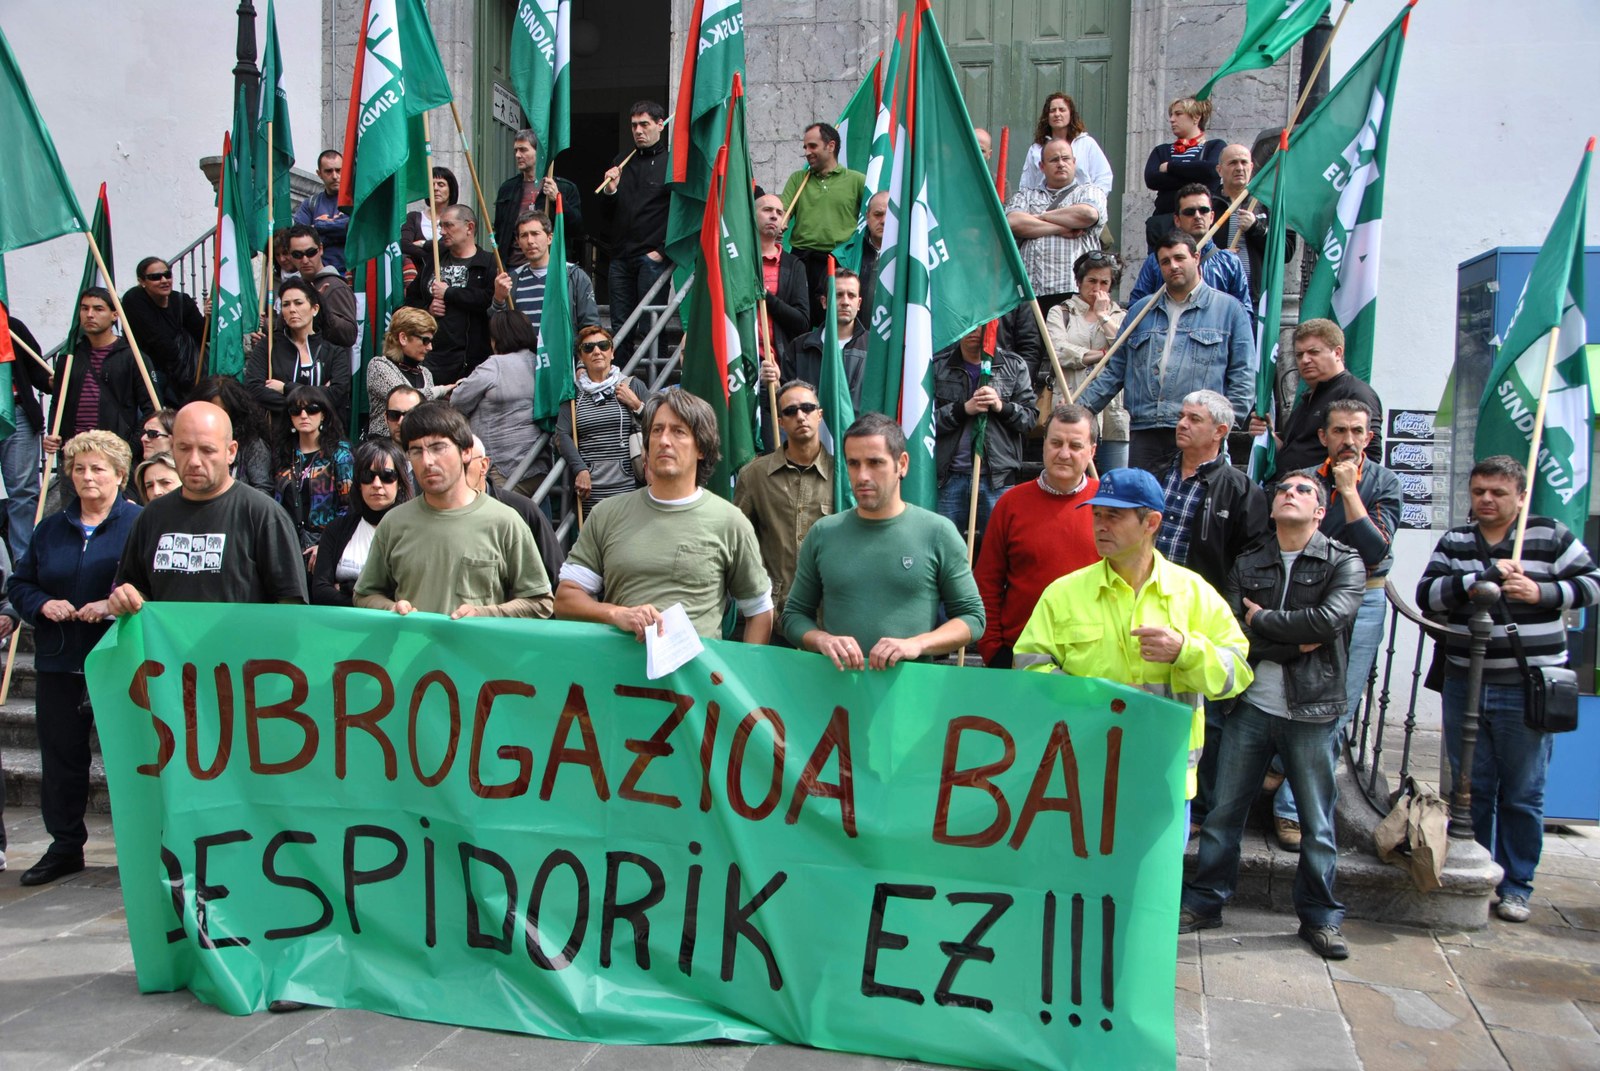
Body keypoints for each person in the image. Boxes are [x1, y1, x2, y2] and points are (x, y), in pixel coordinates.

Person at [1182, 469, 1365, 960]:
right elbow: (1229, 632)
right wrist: (1287, 641)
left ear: (1321, 511)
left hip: (1312, 711)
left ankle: (1321, 917)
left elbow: (1328, 622)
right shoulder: (1251, 560)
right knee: (1223, 813)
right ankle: (1206, 900)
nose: (1290, 494)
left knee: (1317, 823)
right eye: (1284, 489)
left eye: (1303, 490)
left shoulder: (1343, 561)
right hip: (1250, 705)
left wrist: (1261, 620)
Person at [1418, 455, 1600, 924]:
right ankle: (1471, 869)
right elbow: (1428, 595)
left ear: (1520, 496)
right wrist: (1478, 579)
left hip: (1527, 685)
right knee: (1470, 788)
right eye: (1479, 491)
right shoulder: (1457, 540)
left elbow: (1592, 585)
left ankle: (1517, 884)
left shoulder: (1549, 535)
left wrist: (1540, 592)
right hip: (1467, 681)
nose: (1486, 500)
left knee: (1522, 792)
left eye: (1497, 493)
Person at [1014, 467, 1252, 806]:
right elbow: (1028, 673)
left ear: (1151, 523)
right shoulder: (1062, 593)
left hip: (1163, 773)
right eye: (1097, 514)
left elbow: (1237, 673)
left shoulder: (1194, 593)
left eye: (1114, 515)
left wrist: (1185, 651)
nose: (1100, 525)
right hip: (1079, 770)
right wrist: (1103, 695)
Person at [7, 431, 139, 886]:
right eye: (79, 468)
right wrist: (42, 604)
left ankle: (140, 849)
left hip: (120, 661)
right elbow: (21, 584)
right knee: (61, 759)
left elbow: (153, 585)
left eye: (98, 468)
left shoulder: (140, 524)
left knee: (129, 759)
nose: (87, 477)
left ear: (120, 475)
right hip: (59, 662)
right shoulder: (50, 529)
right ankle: (65, 845)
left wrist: (112, 603)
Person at [1270, 399, 1401, 850]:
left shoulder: (1384, 481)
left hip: (1363, 600)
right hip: (1311, 597)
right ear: (1324, 436)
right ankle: (1278, 762)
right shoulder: (1303, 481)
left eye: (1358, 431)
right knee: (1288, 689)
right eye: (1339, 431)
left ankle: (1290, 807)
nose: (1349, 440)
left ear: (1369, 436)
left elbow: (1375, 552)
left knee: (1338, 705)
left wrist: (1349, 493)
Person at [555, 390, 773, 642]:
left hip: (695, 679)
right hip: (618, 678)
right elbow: (565, 599)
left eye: (678, 431)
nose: (664, 441)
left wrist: (739, 676)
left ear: (702, 447)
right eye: (657, 431)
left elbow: (759, 611)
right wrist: (615, 614)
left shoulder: (730, 522)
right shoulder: (607, 513)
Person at [783, 411, 983, 667]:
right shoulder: (823, 533)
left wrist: (918, 643)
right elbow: (793, 616)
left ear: (902, 464)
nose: (862, 475)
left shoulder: (938, 532)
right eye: (853, 464)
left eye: (875, 463)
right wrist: (821, 639)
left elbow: (973, 618)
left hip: (910, 694)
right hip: (836, 693)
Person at [1075, 231, 1256, 473]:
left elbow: (1243, 376)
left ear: (1196, 257)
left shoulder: (1230, 310)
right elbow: (1115, 370)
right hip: (1145, 431)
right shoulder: (1140, 310)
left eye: (1179, 258)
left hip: (1201, 432)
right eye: (1165, 261)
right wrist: (1079, 410)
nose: (1173, 266)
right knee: (1141, 508)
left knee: (1197, 506)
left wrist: (1222, 428)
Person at [354, 404, 553, 619]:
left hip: (476, 650)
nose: (427, 461)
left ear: (466, 452)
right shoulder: (394, 523)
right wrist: (391, 608)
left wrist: (486, 613)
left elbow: (540, 602)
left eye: (438, 447)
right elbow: (364, 594)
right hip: (410, 650)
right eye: (416, 451)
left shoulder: (505, 522)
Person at [108, 401, 308, 613]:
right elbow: (133, 588)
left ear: (230, 452)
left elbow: (291, 608)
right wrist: (125, 599)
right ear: (172, 447)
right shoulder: (151, 516)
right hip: (167, 646)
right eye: (184, 448)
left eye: (207, 450)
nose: (194, 461)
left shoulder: (264, 515)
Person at [974, 404, 1101, 668]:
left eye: (1075, 446)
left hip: (1093, 658)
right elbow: (987, 582)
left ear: (1092, 451)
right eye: (1056, 442)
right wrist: (992, 648)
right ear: (1043, 444)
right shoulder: (1011, 503)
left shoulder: (1107, 505)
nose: (1064, 453)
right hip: (1020, 654)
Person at [734, 380, 834, 620]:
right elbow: (737, 542)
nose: (801, 416)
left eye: (808, 408)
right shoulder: (754, 476)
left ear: (819, 415)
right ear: (780, 422)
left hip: (831, 616)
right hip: (773, 615)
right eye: (790, 411)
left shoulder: (842, 474)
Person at [932, 326, 1038, 547]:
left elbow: (1030, 420)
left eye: (981, 325)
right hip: (949, 478)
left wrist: (1002, 406)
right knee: (942, 549)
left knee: (1000, 549)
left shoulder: (1014, 366)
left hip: (996, 479)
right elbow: (923, 423)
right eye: (968, 325)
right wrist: (962, 410)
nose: (974, 331)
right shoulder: (938, 366)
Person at [1155, 391, 1269, 593]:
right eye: (1181, 417)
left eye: (1194, 419)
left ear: (1219, 432)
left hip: (1201, 599)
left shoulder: (1241, 491)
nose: (1182, 424)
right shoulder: (1155, 472)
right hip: (1147, 589)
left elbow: (1251, 559)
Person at [1255, 319, 1384, 476]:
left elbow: (1370, 455)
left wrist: (1325, 487)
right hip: (1290, 490)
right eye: (1299, 354)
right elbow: (1295, 450)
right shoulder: (1308, 397)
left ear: (1337, 353)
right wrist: (1267, 434)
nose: (1305, 360)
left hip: (1321, 495)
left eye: (1314, 352)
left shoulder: (1355, 393)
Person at [598, 100, 672, 356]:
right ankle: (623, 385)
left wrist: (663, 251)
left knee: (651, 324)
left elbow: (681, 214)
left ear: (660, 125)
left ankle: (654, 390)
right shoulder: (621, 162)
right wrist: (610, 190)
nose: (638, 131)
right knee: (620, 327)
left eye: (644, 124)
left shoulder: (672, 164)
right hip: (620, 257)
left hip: (652, 258)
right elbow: (606, 216)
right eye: (634, 126)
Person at [1046, 250, 1129, 470]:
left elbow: (1126, 349)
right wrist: (1103, 355)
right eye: (1092, 281)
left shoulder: (1121, 315)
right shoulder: (1060, 312)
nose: (1097, 288)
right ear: (1079, 281)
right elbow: (1059, 350)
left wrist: (1103, 316)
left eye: (1104, 282)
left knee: (1115, 480)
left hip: (1113, 413)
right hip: (1069, 400)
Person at [1005, 138, 1106, 315]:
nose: (1060, 164)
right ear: (1042, 166)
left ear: (1074, 163)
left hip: (1074, 292)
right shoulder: (1026, 196)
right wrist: (1062, 227)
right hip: (1032, 294)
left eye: (1065, 159)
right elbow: (1013, 223)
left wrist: (1040, 216)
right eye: (1054, 160)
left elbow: (1087, 214)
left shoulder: (1089, 191)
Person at [779, 123, 867, 326]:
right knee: (800, 320)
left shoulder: (857, 181)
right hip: (801, 261)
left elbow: (876, 215)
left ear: (831, 146)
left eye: (812, 146)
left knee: (837, 321)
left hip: (838, 262)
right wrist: (778, 219)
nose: (807, 152)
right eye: (805, 148)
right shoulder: (798, 179)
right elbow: (783, 211)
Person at [555, 325, 651, 508]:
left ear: (612, 352)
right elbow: (562, 435)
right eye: (588, 348)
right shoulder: (574, 395)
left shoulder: (633, 385)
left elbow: (659, 423)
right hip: (591, 490)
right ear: (581, 357)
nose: (597, 351)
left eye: (603, 345)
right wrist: (580, 469)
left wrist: (637, 405)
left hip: (630, 488)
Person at [452, 310, 546, 494]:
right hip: (539, 465)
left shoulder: (494, 365)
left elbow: (457, 400)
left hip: (503, 467)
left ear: (497, 337)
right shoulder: (540, 364)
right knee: (537, 521)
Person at [48, 287, 145, 463]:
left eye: (98, 309)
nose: (90, 314)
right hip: (74, 453)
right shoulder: (69, 357)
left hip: (114, 455)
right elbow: (57, 402)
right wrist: (53, 435)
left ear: (115, 315)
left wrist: (131, 446)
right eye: (85, 308)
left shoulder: (133, 357)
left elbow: (150, 409)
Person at [312, 438, 411, 606]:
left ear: (400, 483)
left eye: (387, 476)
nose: (377, 484)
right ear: (358, 483)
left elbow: (407, 594)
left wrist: (347, 588)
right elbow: (320, 591)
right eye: (368, 476)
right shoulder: (337, 529)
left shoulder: (413, 532)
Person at [405, 205, 497, 384]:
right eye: (440, 226)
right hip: (430, 357)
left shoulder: (488, 263)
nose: (442, 231)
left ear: (469, 227)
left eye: (448, 226)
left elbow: (489, 300)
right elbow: (410, 301)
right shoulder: (433, 261)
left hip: (470, 360)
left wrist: (449, 293)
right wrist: (427, 309)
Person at [1128, 183, 1251, 315]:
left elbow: (1243, 315)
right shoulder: (1156, 261)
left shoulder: (1229, 262)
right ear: (1177, 220)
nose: (1197, 216)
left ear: (1212, 216)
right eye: (1189, 212)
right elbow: (1136, 311)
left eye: (1203, 210)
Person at [464, 434, 566, 591]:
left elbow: (556, 576)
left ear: (484, 465)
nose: (456, 472)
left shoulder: (522, 510)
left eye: (464, 464)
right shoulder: (432, 514)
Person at [245, 277, 353, 418]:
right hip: (278, 434)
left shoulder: (334, 352)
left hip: (324, 435)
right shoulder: (269, 346)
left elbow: (337, 394)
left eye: (298, 303)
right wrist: (315, 400)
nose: (292, 310)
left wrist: (285, 388)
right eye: (286, 304)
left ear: (314, 309)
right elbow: (254, 389)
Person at [272, 384, 353, 569]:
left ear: (323, 414)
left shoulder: (340, 455)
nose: (303, 415)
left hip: (324, 546)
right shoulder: (284, 453)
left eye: (312, 409)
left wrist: (326, 544)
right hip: (286, 543)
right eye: (296, 410)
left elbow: (348, 507)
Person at [488, 210, 600, 339]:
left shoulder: (574, 276)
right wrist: (498, 299)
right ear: (518, 242)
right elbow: (498, 328)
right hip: (523, 357)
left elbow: (590, 326)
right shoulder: (512, 279)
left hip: (561, 357)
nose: (530, 241)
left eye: (535, 234)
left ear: (549, 238)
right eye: (524, 235)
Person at [1, 315, 53, 565]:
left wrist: (54, 380)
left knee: (23, 491)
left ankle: (24, 565)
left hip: (17, 413)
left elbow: (37, 370)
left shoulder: (11, 326)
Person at [492, 128, 584, 268]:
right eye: (516, 150)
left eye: (523, 150)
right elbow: (500, 231)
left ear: (539, 152)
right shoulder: (507, 188)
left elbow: (576, 229)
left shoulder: (565, 188)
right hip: (513, 268)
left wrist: (557, 200)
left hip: (551, 269)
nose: (517, 155)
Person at [119, 257, 204, 406]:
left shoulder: (182, 300)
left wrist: (212, 315)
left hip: (184, 375)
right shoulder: (134, 299)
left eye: (167, 274)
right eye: (155, 277)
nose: (164, 280)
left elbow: (204, 335)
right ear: (142, 282)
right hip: (152, 373)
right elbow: (158, 340)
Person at [1143, 97, 1225, 251]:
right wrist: (1195, 177)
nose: (1172, 120)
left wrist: (1171, 167)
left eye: (1178, 114)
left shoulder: (1214, 146)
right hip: (1165, 224)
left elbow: (1211, 170)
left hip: (1199, 224)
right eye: (1171, 115)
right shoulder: (1162, 150)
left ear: (1196, 117)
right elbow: (1151, 179)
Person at [787, 268, 867, 408]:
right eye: (838, 295)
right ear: (824, 302)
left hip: (862, 429)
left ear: (859, 303)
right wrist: (775, 384)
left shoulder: (875, 348)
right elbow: (786, 405)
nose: (845, 302)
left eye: (851, 295)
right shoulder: (799, 348)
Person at [365, 307, 447, 439]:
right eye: (425, 340)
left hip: (414, 449)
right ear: (403, 338)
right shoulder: (379, 366)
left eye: (431, 341)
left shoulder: (426, 373)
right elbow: (407, 399)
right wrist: (443, 390)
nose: (430, 347)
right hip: (384, 450)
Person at [754, 193, 812, 380]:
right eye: (767, 210)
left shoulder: (794, 266)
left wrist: (767, 298)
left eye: (779, 213)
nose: (774, 216)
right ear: (751, 215)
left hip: (776, 368)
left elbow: (802, 322)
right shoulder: (735, 261)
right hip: (737, 363)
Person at [1213, 144, 1277, 306]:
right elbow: (1193, 248)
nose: (1239, 168)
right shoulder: (1208, 206)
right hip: (1217, 298)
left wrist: (1256, 227)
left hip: (1255, 299)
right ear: (1219, 170)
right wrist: (1217, 255)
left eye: (1243, 162)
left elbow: (1286, 251)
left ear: (1251, 167)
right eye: (1233, 163)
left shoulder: (1267, 204)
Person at [189, 377, 275, 495]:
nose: (216, 417)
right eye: (211, 411)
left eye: (223, 411)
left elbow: (263, 490)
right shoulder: (189, 441)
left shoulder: (252, 445)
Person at [1019, 92, 1114, 194]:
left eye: (1062, 110)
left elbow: (1103, 177)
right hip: (1045, 207)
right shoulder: (1036, 149)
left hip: (1080, 205)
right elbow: (1026, 185)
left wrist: (1092, 202)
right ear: (1047, 116)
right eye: (1052, 110)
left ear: (1070, 114)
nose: (1057, 114)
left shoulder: (1087, 144)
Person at [283, 224, 358, 347]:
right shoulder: (294, 289)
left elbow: (349, 335)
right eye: (297, 254)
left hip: (328, 363)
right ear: (290, 256)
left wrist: (320, 308)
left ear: (321, 249)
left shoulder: (335, 286)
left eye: (311, 252)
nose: (305, 260)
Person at [292, 149, 350, 271]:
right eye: (328, 171)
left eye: (339, 170)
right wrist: (340, 232)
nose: (335, 176)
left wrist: (319, 227)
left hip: (352, 274)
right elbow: (301, 238)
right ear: (319, 174)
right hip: (320, 275)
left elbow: (355, 230)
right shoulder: (310, 204)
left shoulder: (356, 201)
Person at [400, 166, 459, 268]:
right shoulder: (413, 218)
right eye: (431, 185)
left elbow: (455, 246)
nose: (435, 188)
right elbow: (404, 245)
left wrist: (424, 244)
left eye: (441, 185)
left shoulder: (458, 219)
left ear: (451, 189)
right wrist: (430, 256)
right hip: (417, 277)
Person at [857, 190, 889, 314]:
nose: (884, 221)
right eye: (878, 214)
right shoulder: (846, 255)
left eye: (890, 215)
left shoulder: (910, 256)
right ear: (867, 215)